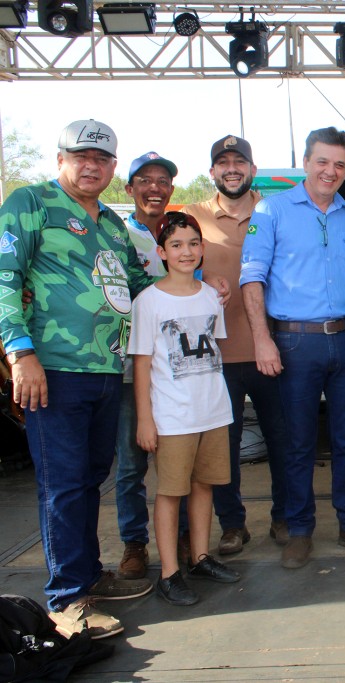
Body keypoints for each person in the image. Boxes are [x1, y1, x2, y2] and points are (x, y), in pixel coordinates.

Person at [0, 120, 154, 638]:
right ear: (60, 157)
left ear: (114, 168)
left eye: (102, 159)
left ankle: (88, 575)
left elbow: (140, 286)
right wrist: (20, 352)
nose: (91, 166)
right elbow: (4, 277)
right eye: (80, 156)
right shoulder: (31, 204)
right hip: (53, 370)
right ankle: (67, 601)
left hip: (107, 370)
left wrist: (194, 283)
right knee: (62, 485)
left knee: (91, 477)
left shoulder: (113, 224)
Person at [241, 127, 345, 568]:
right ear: (306, 163)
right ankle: (299, 529)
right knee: (298, 443)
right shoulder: (272, 210)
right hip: (292, 341)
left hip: (343, 342)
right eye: (322, 161)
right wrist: (263, 340)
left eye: (340, 164)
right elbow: (252, 278)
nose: (331, 171)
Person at [182, 135, 290, 557]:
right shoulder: (192, 217)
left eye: (239, 161)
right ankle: (233, 525)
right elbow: (173, 269)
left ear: (253, 169)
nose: (231, 168)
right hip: (215, 357)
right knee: (221, 449)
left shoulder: (277, 211)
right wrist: (200, 279)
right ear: (212, 172)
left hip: (275, 350)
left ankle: (283, 516)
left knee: (285, 441)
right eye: (223, 162)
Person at [129, 212, 241, 606]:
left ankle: (200, 557)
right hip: (172, 416)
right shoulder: (149, 301)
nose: (186, 251)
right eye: (176, 245)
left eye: (193, 243)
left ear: (202, 248)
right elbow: (142, 363)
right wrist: (146, 418)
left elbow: (214, 349)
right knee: (170, 492)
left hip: (212, 410)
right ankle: (169, 573)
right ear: (161, 252)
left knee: (204, 485)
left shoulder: (211, 295)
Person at [115, 151, 178, 581]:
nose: (155, 187)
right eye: (145, 180)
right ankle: (134, 544)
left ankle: (187, 537)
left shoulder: (183, 233)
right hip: (130, 363)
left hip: (177, 367)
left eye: (162, 180)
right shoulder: (115, 236)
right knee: (131, 461)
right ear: (130, 189)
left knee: (180, 457)